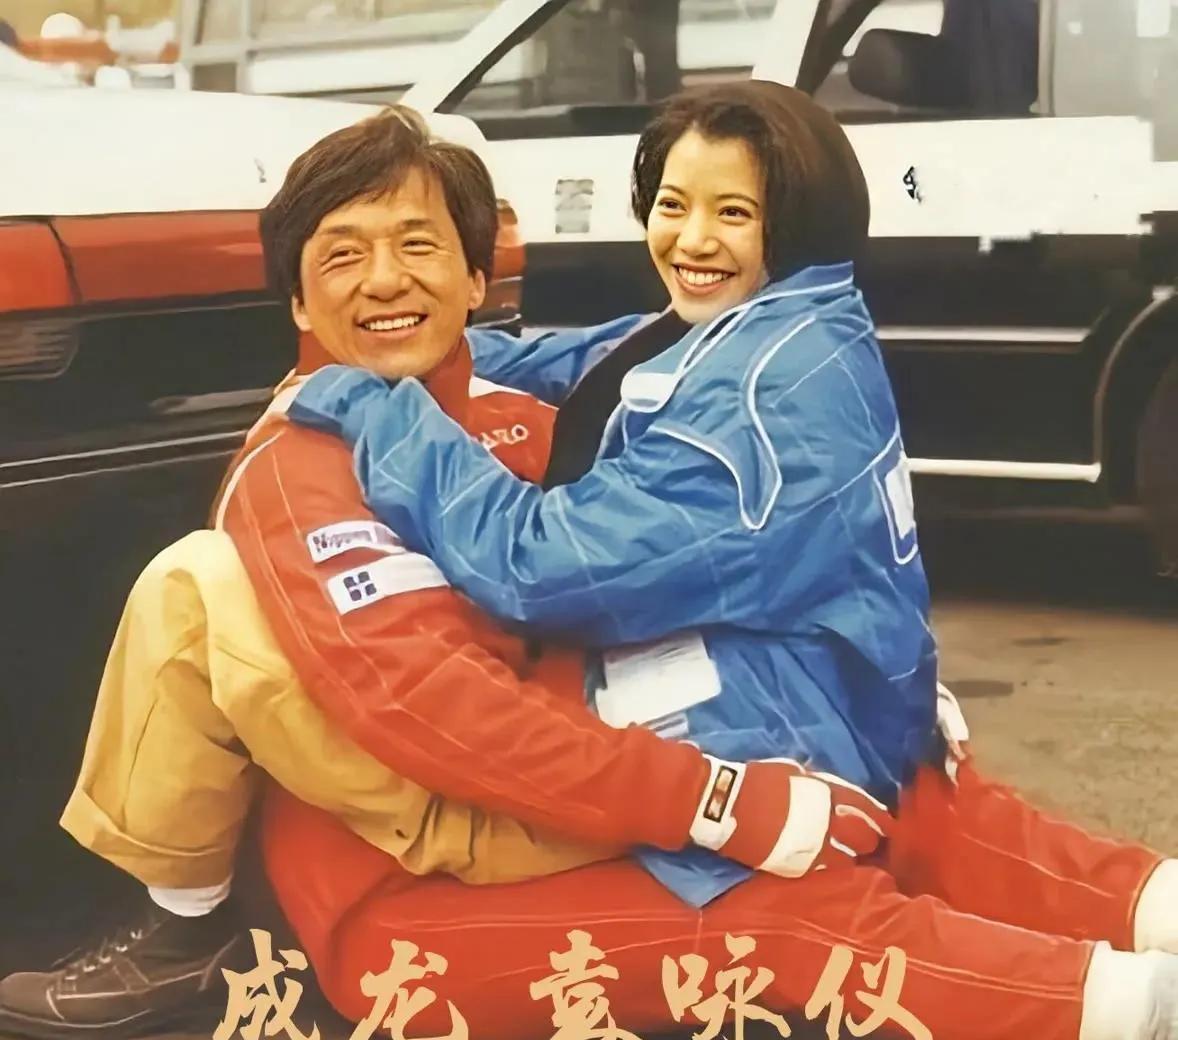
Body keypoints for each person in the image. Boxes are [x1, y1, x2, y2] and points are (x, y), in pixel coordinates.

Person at [275, 83, 1178, 1040]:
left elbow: (535, 567)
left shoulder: (745, 409)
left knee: (811, 906)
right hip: (841, 698)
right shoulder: (785, 319)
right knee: (941, 829)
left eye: (733, 213)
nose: (692, 239)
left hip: (760, 734)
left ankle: (1139, 1010)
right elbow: (598, 362)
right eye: (673, 204)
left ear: (797, 223)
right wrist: (429, 347)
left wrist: (371, 395)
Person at [0, 106, 890, 1040]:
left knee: (204, 582)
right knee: (204, 583)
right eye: (344, 256)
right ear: (298, 304)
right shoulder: (314, 458)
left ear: (476, 282)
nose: (385, 278)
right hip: (521, 781)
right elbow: (439, 705)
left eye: (417, 246)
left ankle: (187, 922)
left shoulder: (536, 411)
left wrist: (797, 723)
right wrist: (719, 798)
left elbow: (637, 380)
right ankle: (186, 925)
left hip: (575, 773)